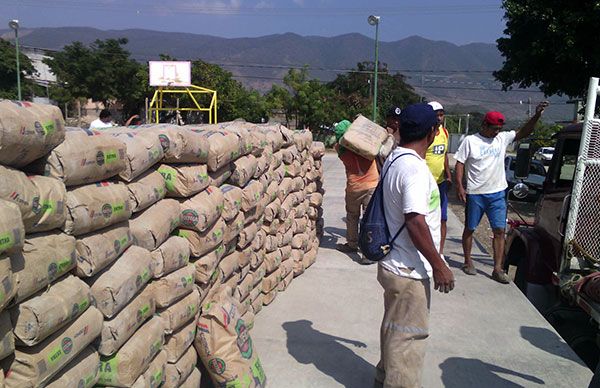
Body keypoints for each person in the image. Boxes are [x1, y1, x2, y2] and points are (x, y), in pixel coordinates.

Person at [377, 103, 455, 388]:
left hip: (394, 263)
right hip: (408, 269)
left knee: (394, 329)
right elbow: (415, 222)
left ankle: (382, 376)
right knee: (408, 339)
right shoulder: (414, 170)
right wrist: (440, 265)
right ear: (433, 132)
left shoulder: (395, 159)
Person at [454, 101, 549, 283]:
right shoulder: (470, 141)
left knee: (499, 230)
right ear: (484, 125)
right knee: (470, 228)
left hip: (497, 193)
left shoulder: (502, 138)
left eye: (499, 129)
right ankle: (468, 261)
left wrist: (537, 115)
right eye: (493, 128)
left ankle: (497, 269)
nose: (496, 132)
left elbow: (524, 132)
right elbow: (459, 163)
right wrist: (460, 186)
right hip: (476, 193)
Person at [333, 120, 379, 256]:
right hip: (371, 184)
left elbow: (340, 144)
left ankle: (352, 244)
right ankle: (367, 251)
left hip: (354, 187)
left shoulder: (339, 149)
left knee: (352, 217)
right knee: (368, 218)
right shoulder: (367, 145)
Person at [425, 101, 452, 255]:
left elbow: (444, 155)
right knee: (423, 218)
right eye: (437, 115)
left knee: (442, 219)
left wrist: (448, 175)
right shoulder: (424, 133)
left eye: (442, 115)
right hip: (425, 183)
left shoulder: (445, 133)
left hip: (440, 183)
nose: (440, 118)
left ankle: (439, 252)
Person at [376, 106, 402, 172]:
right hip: (379, 173)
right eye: (394, 119)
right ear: (387, 118)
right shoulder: (379, 132)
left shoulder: (403, 136)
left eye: (398, 119)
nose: (396, 122)